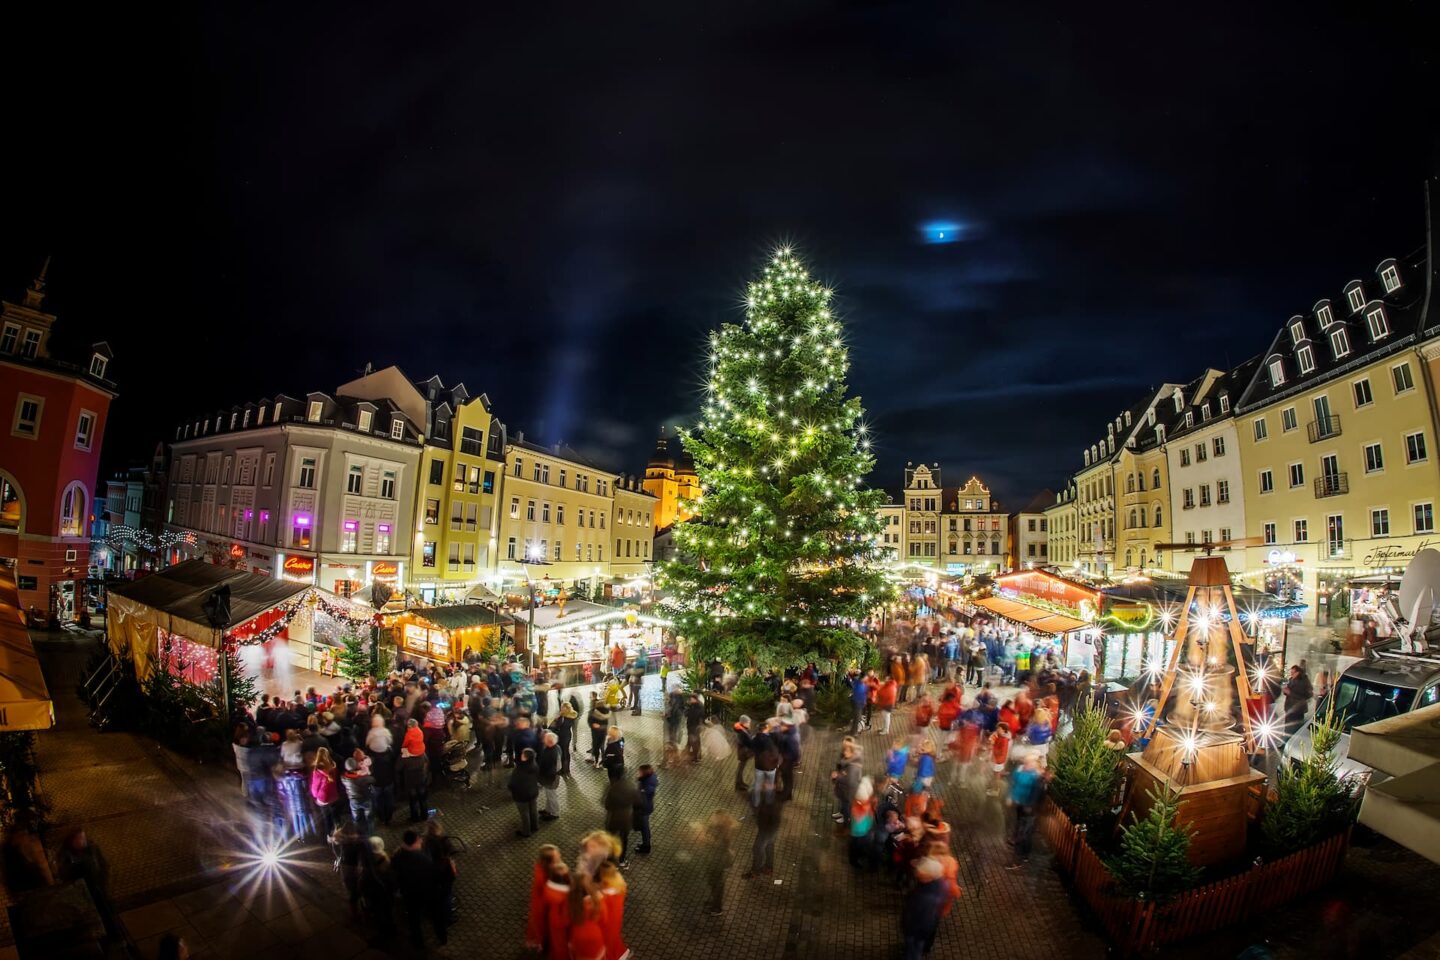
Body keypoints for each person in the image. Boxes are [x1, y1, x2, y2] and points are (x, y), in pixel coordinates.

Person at [391, 830, 438, 947]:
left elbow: (396, 876)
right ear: (415, 842)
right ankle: (440, 935)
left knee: (414, 918)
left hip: (409, 894)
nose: (421, 841)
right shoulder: (423, 858)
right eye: (419, 840)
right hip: (424, 892)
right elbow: (431, 875)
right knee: (434, 912)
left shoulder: (397, 857)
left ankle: (417, 941)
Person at [901, 857, 951, 959]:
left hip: (916, 931)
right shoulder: (939, 884)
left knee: (913, 951)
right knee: (916, 948)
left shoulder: (926, 897)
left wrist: (907, 926)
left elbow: (921, 918)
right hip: (921, 930)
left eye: (922, 872)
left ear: (929, 876)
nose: (918, 873)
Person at [1007, 756, 1046, 868]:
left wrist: (1031, 805)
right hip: (1020, 805)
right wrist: (1011, 796)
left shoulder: (1036, 777)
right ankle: (1025, 854)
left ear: (1034, 764)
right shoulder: (1021, 770)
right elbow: (1013, 782)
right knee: (1024, 831)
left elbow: (1037, 793)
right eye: (1026, 762)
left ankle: (1018, 859)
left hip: (1029, 809)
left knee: (1022, 832)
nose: (1026, 764)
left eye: (1029, 762)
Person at [422, 819, 456, 942]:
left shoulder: (425, 842)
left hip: (433, 883)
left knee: (441, 901)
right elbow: (451, 852)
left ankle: (443, 918)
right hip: (444, 881)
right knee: (446, 899)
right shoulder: (443, 841)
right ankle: (448, 918)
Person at [744, 772, 783, 878]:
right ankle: (769, 867)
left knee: (757, 848)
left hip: (767, 828)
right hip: (771, 826)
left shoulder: (770, 797)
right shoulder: (772, 794)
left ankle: (755, 871)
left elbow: (755, 803)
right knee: (769, 845)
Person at [700, 810, 738, 916]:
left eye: (714, 817)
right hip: (712, 860)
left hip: (717, 862)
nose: (711, 818)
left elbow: (719, 846)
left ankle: (717, 908)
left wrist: (706, 839)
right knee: (712, 882)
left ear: (720, 820)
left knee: (717, 884)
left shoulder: (724, 832)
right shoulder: (715, 828)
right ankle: (714, 901)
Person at [360, 835, 395, 942]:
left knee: (379, 912)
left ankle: (383, 929)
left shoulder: (367, 859)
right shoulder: (385, 859)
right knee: (386, 911)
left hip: (373, 892)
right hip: (383, 890)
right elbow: (390, 876)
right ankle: (389, 930)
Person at [509, 747, 541, 838]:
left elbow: (513, 783)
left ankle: (526, 831)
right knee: (533, 809)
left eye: (523, 754)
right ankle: (535, 826)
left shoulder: (519, 769)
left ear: (525, 757)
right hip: (533, 792)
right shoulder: (534, 765)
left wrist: (512, 790)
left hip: (521, 795)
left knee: (524, 813)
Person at [309, 746, 341, 835]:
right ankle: (337, 831)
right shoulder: (333, 766)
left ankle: (328, 835)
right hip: (334, 795)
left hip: (323, 797)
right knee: (334, 815)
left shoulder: (317, 770)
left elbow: (315, 787)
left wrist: (315, 797)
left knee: (326, 817)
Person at [397, 737, 429, 824]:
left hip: (410, 782)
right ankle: (424, 815)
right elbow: (426, 762)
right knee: (423, 799)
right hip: (421, 780)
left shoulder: (404, 757)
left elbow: (397, 768)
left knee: (413, 801)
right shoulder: (422, 754)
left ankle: (415, 818)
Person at [537, 730, 562, 821]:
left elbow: (550, 769)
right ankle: (548, 810)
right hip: (551, 778)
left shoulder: (550, 753)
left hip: (550, 779)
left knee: (552, 796)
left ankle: (555, 813)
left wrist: (542, 779)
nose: (543, 740)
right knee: (549, 795)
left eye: (545, 739)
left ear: (549, 742)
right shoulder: (557, 747)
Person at [1282, 664, 1314, 735]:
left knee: (1294, 730)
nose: (1291, 674)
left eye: (1293, 673)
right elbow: (1288, 691)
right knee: (1287, 729)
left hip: (1298, 710)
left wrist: (1290, 693)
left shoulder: (1304, 682)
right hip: (1289, 708)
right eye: (1291, 673)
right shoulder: (1291, 679)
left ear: (1298, 672)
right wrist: (1285, 691)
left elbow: (1306, 696)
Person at [634, 764, 658, 855]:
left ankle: (646, 846)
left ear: (644, 773)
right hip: (647, 807)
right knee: (645, 827)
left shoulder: (647, 785)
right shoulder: (649, 780)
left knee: (644, 828)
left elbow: (642, 799)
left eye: (639, 772)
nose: (637, 773)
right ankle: (646, 842)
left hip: (644, 809)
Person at [552, 702, 577, 776]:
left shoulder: (562, 717)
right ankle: (567, 769)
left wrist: (556, 719)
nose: (561, 708)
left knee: (563, 753)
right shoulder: (572, 716)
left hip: (562, 736)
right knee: (566, 752)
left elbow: (557, 726)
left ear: (566, 708)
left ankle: (563, 770)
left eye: (562, 707)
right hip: (568, 735)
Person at [733, 715, 755, 791]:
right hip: (743, 753)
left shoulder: (741, 729)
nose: (749, 724)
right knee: (740, 768)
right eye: (748, 722)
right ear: (744, 723)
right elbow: (749, 743)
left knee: (741, 768)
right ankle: (738, 784)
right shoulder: (742, 732)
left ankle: (740, 782)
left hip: (742, 752)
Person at [588, 695, 611, 767]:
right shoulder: (606, 712)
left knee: (596, 746)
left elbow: (589, 721)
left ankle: (597, 761)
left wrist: (594, 725)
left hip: (595, 733)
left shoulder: (592, 712)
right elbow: (606, 723)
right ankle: (602, 761)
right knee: (602, 746)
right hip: (602, 732)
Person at [685, 694, 706, 763]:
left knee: (694, 742)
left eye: (691, 699)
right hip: (692, 726)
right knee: (691, 742)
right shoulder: (693, 705)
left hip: (694, 727)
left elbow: (695, 716)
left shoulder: (697, 707)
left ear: (695, 699)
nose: (690, 700)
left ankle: (695, 758)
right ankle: (692, 755)